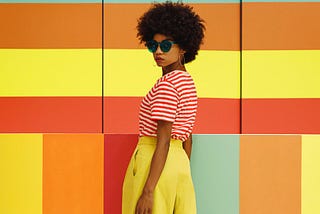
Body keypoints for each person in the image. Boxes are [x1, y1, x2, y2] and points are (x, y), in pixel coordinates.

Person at [122, 1, 205, 213]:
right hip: (178, 166)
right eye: (153, 45)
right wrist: (180, 168)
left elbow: (164, 140)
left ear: (184, 47)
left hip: (154, 163)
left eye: (166, 45)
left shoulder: (167, 85)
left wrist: (148, 191)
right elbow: (188, 136)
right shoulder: (187, 81)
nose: (158, 51)